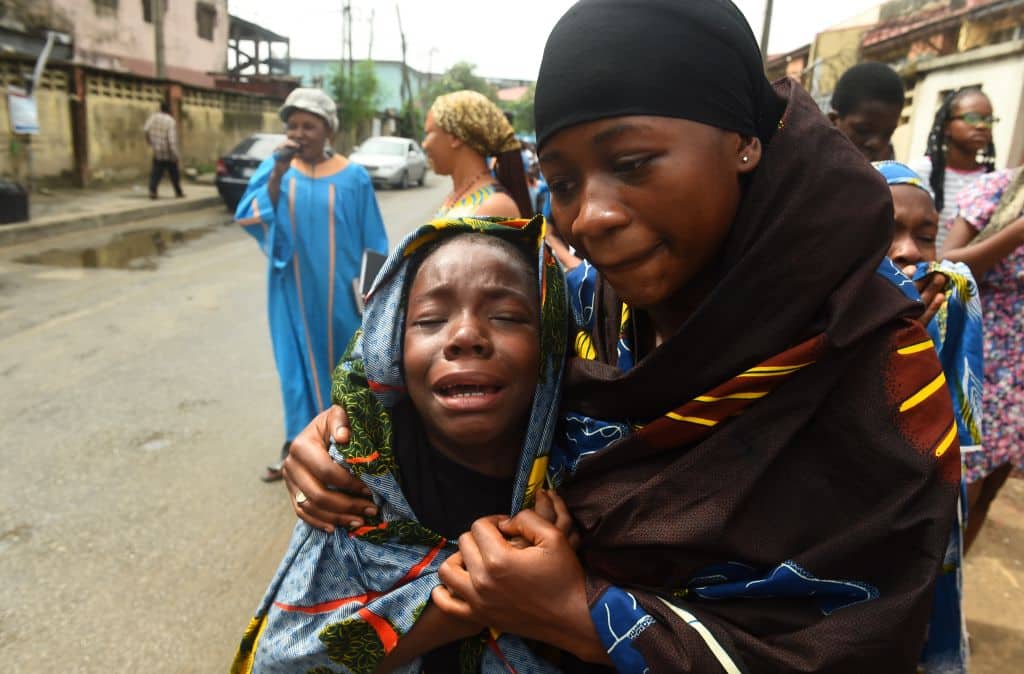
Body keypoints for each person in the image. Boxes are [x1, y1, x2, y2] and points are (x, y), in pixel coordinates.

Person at [282, 2, 958, 670]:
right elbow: (439, 367)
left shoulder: (878, 370)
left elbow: (868, 638)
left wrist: (581, 615)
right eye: (565, 181)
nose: (589, 218)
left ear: (744, 140)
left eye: (632, 162)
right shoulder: (582, 309)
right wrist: (345, 431)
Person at [232, 216, 572, 673]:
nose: (466, 336)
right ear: (391, 349)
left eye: (506, 316)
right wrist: (470, 600)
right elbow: (285, 661)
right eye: (431, 319)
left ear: (551, 343)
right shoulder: (358, 481)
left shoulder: (584, 478)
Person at [234, 88, 388, 482]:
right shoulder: (276, 168)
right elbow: (250, 214)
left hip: (341, 294)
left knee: (343, 368)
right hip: (290, 289)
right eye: (293, 126)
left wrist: (375, 298)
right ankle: (296, 449)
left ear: (328, 130)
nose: (299, 133)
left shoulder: (353, 177)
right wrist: (276, 177)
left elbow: (374, 239)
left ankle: (345, 452)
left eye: (309, 125)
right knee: (294, 369)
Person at [874, 160, 982, 673]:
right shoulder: (800, 324)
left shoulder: (937, 310)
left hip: (917, 519)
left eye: (926, 235)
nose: (910, 251)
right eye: (886, 230)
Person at [941, 165, 1024, 553]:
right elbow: (950, 264)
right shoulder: (999, 189)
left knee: (990, 492)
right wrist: (1018, 230)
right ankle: (923, 595)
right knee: (960, 492)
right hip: (986, 365)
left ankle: (950, 593)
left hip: (1019, 383)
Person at [422, 90, 532, 219]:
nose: (424, 144)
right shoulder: (460, 195)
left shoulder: (494, 206)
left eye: (429, 133)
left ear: (455, 137)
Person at [911, 88, 997, 249]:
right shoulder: (919, 172)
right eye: (972, 118)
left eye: (988, 119)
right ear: (947, 126)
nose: (981, 126)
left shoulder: (993, 182)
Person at [828, 62, 905, 162]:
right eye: (863, 130)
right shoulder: (807, 167)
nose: (877, 144)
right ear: (833, 122)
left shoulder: (889, 172)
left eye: (887, 135)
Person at [143, 101, 185, 199]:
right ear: (169, 110)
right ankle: (178, 192)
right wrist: (175, 154)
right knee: (174, 173)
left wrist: (149, 142)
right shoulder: (170, 121)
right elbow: (171, 140)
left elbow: (146, 130)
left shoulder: (153, 117)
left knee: (156, 172)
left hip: (157, 150)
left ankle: (153, 191)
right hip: (168, 152)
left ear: (161, 108)